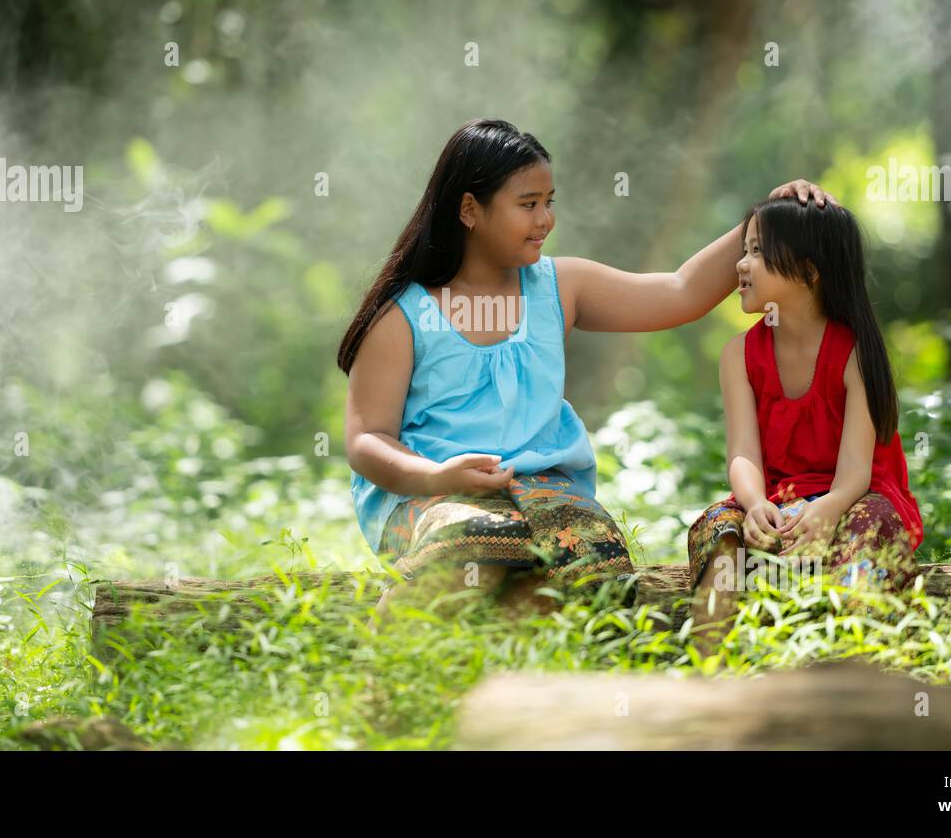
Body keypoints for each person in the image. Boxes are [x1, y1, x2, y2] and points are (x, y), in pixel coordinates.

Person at [338, 118, 833, 623]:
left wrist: (763, 220)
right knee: (482, 551)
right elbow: (367, 439)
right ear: (470, 210)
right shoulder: (406, 313)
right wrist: (435, 475)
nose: (545, 219)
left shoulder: (558, 286)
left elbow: (681, 293)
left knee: (596, 579)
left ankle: (511, 682)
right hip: (433, 493)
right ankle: (384, 665)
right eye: (528, 204)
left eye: (549, 202)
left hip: (542, 490)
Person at [685, 196, 924, 636]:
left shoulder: (855, 353)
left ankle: (856, 648)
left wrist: (829, 511)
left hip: (851, 497)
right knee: (717, 524)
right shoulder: (738, 355)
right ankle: (710, 653)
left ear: (809, 271)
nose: (741, 264)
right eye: (745, 250)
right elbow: (743, 453)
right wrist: (755, 505)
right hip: (776, 501)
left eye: (757, 251)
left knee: (872, 521)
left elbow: (857, 469)